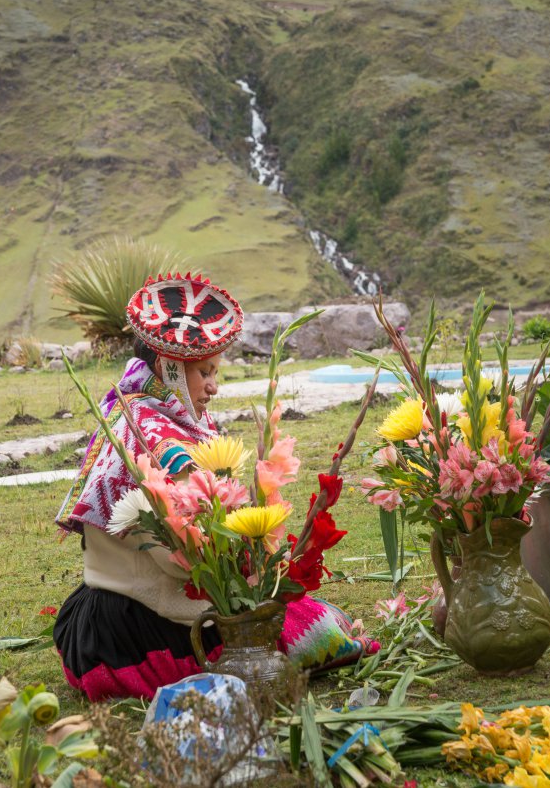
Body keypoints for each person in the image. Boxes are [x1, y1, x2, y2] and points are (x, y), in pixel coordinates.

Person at [54, 272, 378, 701]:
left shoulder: (135, 410)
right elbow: (185, 560)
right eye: (204, 371)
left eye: (215, 371)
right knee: (311, 629)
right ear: (169, 370)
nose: (213, 386)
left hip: (92, 623)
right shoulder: (161, 443)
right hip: (141, 628)